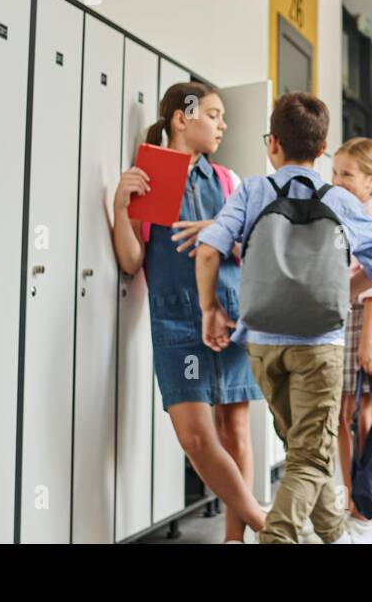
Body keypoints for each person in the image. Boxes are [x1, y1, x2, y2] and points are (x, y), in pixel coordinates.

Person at [194, 92, 372, 544]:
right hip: (318, 345)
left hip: (262, 343)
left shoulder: (251, 191)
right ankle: (278, 538)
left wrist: (211, 309)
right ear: (323, 150)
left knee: (304, 449)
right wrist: (345, 290)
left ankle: (334, 535)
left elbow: (208, 250)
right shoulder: (340, 200)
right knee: (309, 456)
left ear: (273, 144)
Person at [111, 81, 267, 544]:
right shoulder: (153, 176)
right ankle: (270, 527)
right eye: (214, 115)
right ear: (182, 118)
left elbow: (254, 248)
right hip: (176, 321)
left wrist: (221, 232)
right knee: (196, 438)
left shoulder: (227, 181)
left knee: (235, 426)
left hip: (229, 313)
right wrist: (120, 206)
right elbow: (132, 261)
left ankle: (236, 539)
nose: (223, 124)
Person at [330, 136, 372, 544]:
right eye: (335, 173)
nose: (337, 181)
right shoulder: (345, 214)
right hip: (347, 319)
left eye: (347, 174)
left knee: (360, 415)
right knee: (344, 415)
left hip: (366, 322)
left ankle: (363, 507)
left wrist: (368, 342)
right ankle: (352, 501)